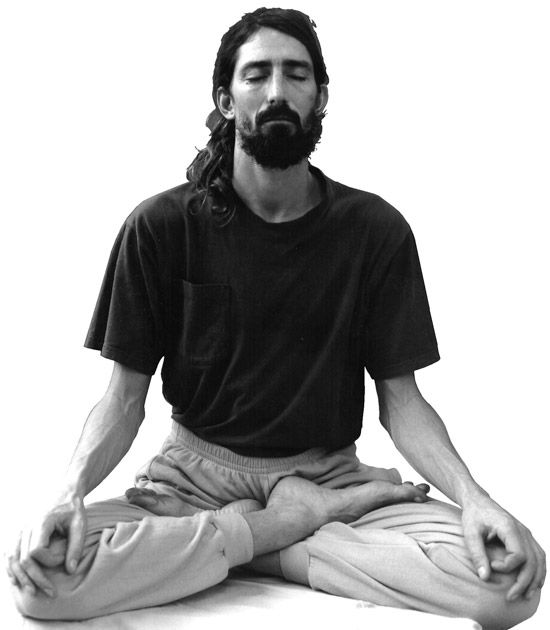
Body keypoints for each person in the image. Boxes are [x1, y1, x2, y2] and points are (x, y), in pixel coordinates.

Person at [7, 7, 544, 628]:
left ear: (320, 97)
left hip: (331, 477)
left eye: (296, 74)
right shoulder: (158, 227)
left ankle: (234, 547)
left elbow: (402, 402)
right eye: (257, 75)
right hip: (192, 482)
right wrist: (67, 492)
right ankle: (285, 530)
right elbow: (124, 398)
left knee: (504, 588)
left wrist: (477, 500)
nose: (278, 91)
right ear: (226, 99)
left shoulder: (375, 231)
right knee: (44, 583)